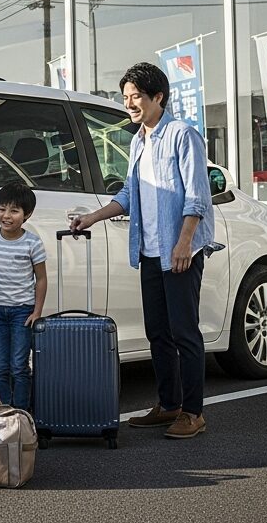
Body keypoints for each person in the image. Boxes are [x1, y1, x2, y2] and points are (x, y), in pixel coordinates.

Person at [70, 62, 214, 439]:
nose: (129, 104)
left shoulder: (182, 135)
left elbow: (198, 195)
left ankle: (193, 413)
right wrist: (93, 217)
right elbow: (129, 193)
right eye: (126, 98)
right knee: (158, 333)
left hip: (179, 250)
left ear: (158, 97)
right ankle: (170, 405)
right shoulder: (138, 141)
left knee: (184, 333)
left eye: (136, 97)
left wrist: (184, 242)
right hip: (149, 251)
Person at [0, 181, 47, 409]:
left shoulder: (32, 243)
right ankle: (2, 412)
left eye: (14, 211)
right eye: (2, 209)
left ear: (27, 214)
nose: (6, 215)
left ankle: (22, 413)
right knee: (0, 366)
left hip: (22, 312)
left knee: (19, 366)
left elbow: (41, 279)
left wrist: (37, 311)